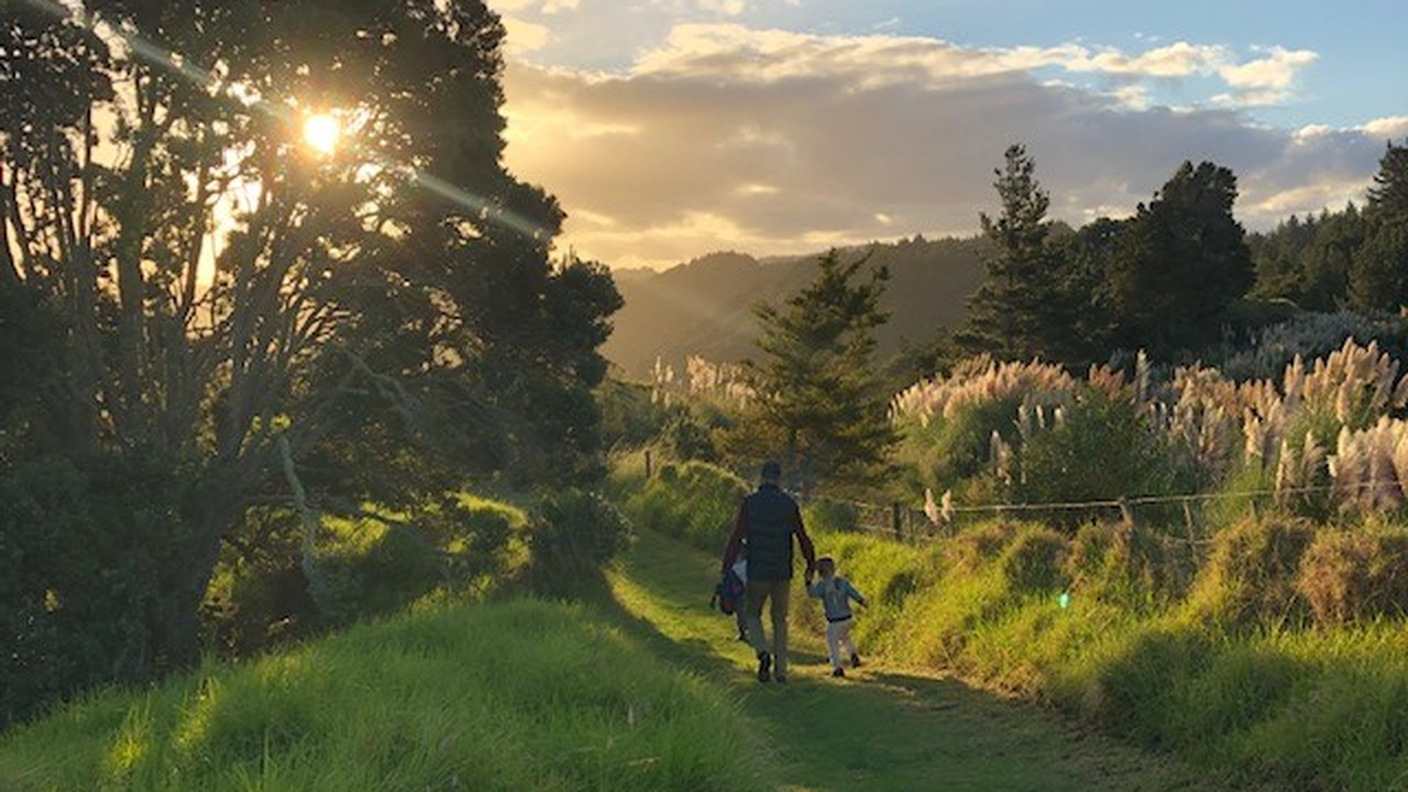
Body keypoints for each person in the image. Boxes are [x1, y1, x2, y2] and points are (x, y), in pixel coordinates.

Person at [721, 459, 816, 684]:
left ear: (761, 477)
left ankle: (762, 652)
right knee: (780, 620)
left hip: (757, 571)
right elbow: (803, 537)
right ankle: (781, 672)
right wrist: (811, 564)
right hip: (782, 571)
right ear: (779, 479)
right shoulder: (789, 504)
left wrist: (726, 567)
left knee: (753, 614)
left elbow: (736, 537)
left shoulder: (750, 503)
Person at [806, 556, 867, 677]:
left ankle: (837, 667)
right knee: (845, 637)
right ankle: (853, 654)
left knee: (832, 643)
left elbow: (812, 594)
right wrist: (862, 601)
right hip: (847, 618)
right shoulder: (843, 582)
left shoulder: (822, 585)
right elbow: (853, 593)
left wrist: (808, 582)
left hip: (834, 621)